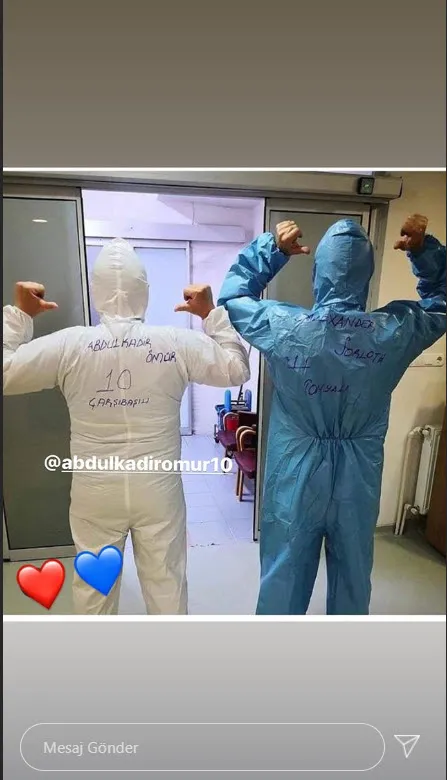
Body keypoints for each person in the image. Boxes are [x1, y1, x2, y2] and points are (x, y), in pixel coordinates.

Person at [3, 238, 250, 615]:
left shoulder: (70, 344)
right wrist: (211, 314)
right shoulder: (175, 343)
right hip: (158, 488)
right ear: (144, 292)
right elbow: (236, 369)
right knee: (166, 584)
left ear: (97, 291)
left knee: (94, 589)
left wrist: (19, 315)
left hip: (95, 491)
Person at [218, 214, 446, 615]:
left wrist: (271, 252)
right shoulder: (393, 331)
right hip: (358, 473)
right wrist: (423, 253)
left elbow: (235, 299)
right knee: (353, 572)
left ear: (318, 273)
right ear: (367, 276)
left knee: (284, 571)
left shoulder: (284, 326)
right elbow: (441, 303)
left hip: (296, 471)